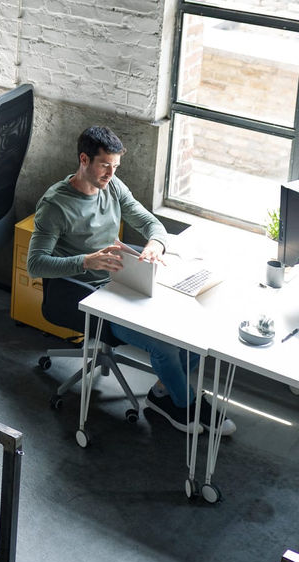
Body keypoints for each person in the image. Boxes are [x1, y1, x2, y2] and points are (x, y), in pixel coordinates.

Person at [28, 126, 235, 436]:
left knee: (190, 326)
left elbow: (151, 223)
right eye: (104, 165)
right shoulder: (55, 206)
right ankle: (186, 404)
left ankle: (165, 393)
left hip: (124, 280)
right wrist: (86, 261)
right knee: (164, 345)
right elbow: (35, 265)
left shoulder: (112, 186)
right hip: (87, 296)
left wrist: (155, 245)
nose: (111, 173)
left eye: (116, 166)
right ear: (84, 159)